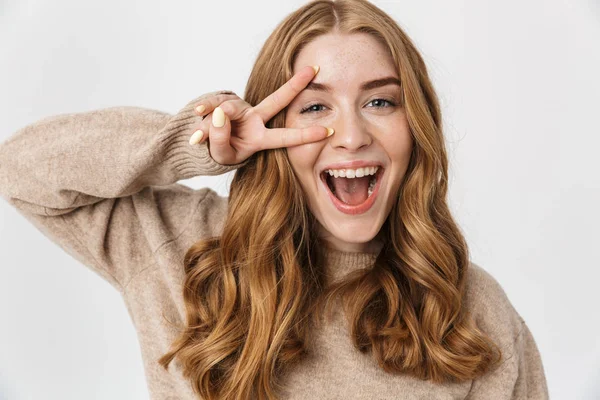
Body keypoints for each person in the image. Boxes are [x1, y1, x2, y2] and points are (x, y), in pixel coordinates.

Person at [0, 0, 549, 399]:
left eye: (380, 101)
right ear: (272, 123)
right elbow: (18, 167)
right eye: (314, 108)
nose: (352, 135)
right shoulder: (182, 246)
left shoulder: (472, 308)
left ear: (417, 127)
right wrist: (194, 143)